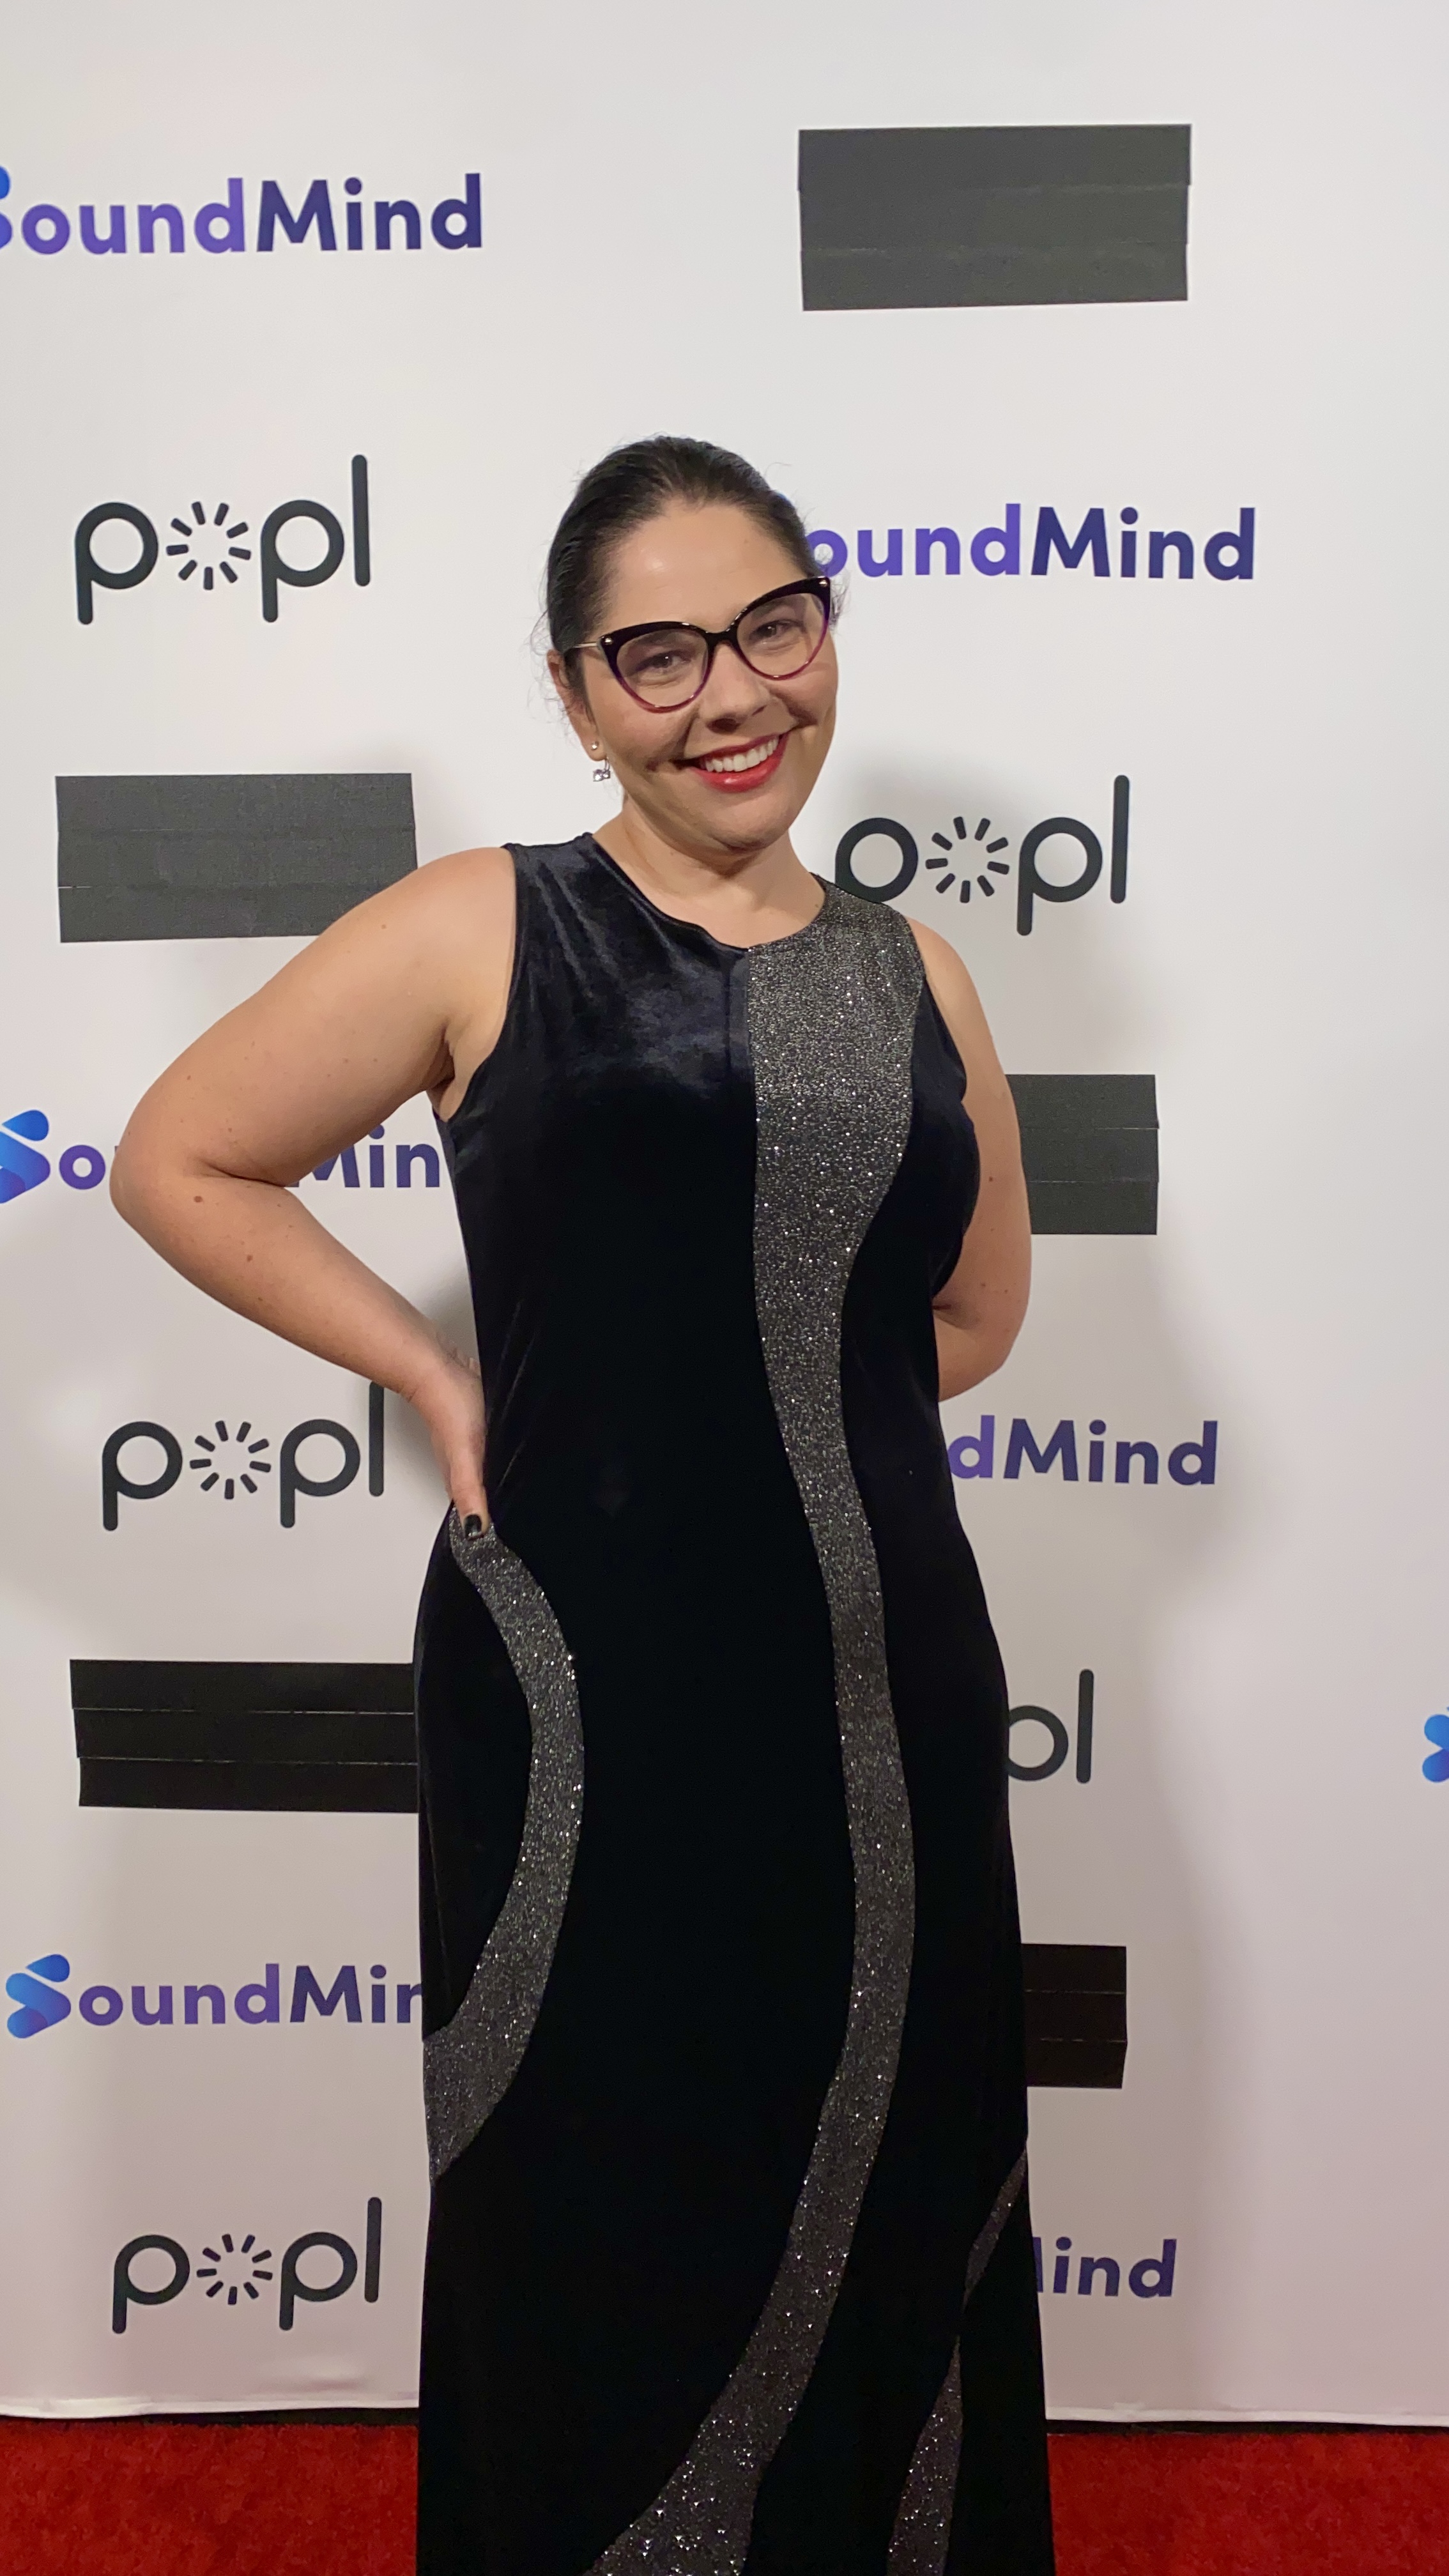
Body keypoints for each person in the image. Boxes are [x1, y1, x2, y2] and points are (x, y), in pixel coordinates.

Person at [112, 434, 1053, 2574]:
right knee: (601, 2200)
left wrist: (785, 1402)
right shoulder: (490, 922)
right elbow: (180, 1153)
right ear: (573, 690)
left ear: (824, 630)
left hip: (883, 1693)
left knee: (895, 2184)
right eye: (660, 653)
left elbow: (973, 1315)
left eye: (773, 627)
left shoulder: (921, 972)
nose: (733, 695)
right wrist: (433, 1366)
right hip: (586, 1703)